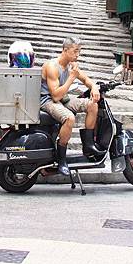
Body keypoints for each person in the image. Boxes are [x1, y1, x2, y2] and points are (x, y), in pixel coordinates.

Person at [40, 37, 104, 176]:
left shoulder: (70, 65)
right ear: (65, 50)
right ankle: (61, 159)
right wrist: (71, 78)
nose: (77, 55)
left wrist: (94, 87)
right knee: (69, 118)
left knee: (92, 105)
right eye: (75, 51)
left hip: (63, 99)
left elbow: (85, 79)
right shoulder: (52, 67)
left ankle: (88, 146)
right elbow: (55, 96)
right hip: (48, 101)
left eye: (79, 51)